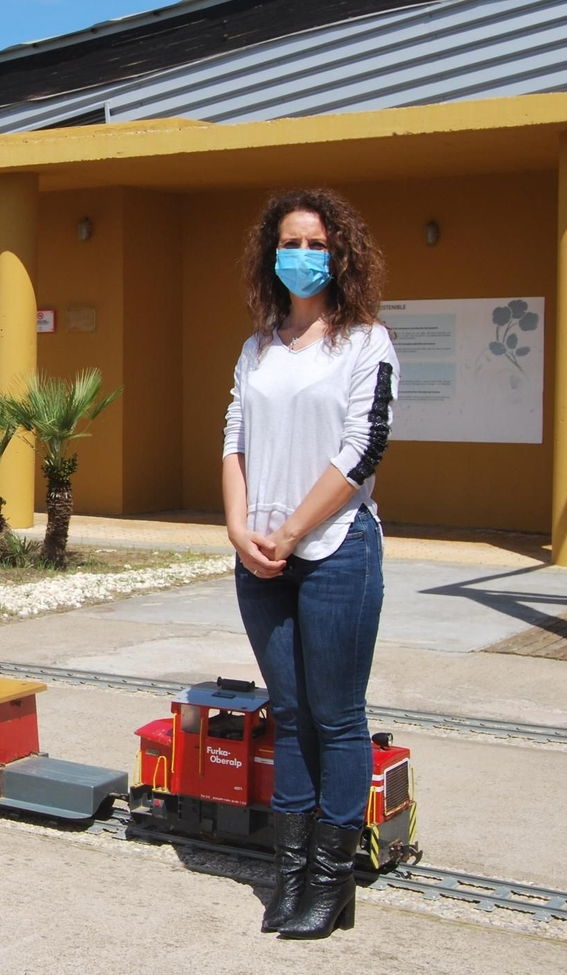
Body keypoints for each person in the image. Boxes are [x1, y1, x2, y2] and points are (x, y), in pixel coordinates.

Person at [222, 189, 398, 939]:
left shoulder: (366, 342)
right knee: (289, 716)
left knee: (337, 715)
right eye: (289, 243)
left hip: (334, 551)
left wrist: (291, 530)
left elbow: (363, 450)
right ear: (271, 256)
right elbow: (232, 439)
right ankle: (289, 874)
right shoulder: (257, 348)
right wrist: (239, 529)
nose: (302, 256)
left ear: (340, 255)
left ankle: (333, 879)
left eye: (316, 244)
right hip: (258, 558)